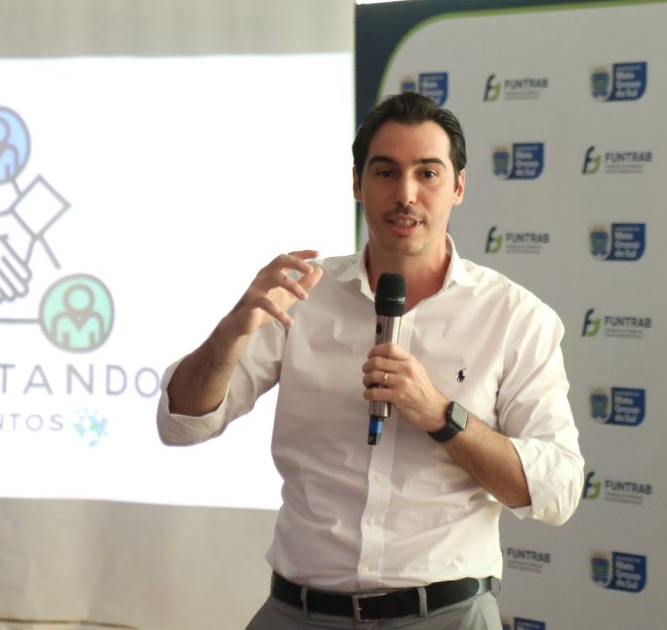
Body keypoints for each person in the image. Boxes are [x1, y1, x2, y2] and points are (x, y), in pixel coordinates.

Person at [157, 92, 584, 628]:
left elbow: (558, 492)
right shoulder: (302, 294)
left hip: (445, 615)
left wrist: (441, 414)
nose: (405, 194)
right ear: (357, 184)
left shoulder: (514, 317)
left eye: (427, 173)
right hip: (299, 611)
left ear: (458, 187)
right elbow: (182, 423)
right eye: (385, 172)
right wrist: (231, 332)